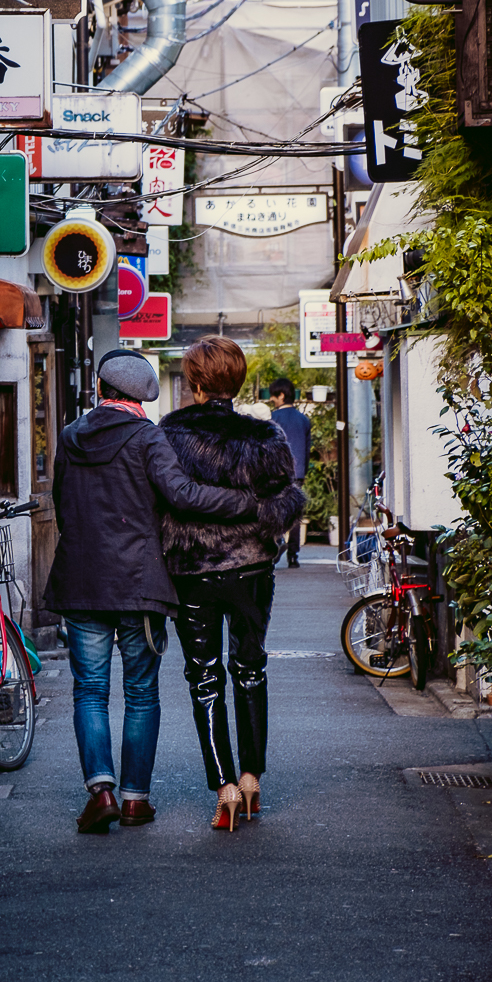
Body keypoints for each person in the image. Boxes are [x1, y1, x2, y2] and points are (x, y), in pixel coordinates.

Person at [42, 349, 259, 834]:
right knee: (140, 693)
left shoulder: (71, 436)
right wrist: (245, 502)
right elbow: (182, 494)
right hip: (139, 585)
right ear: (143, 397)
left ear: (100, 391)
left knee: (90, 691)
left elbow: (61, 501)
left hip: (80, 582)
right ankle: (135, 799)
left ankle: (100, 791)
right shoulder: (147, 437)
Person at [160, 337, 305, 833]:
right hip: (250, 567)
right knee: (250, 666)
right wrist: (262, 519)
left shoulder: (170, 434)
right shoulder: (264, 438)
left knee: (203, 677)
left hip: (191, 569)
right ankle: (251, 779)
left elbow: (160, 500)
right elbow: (287, 497)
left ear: (195, 383)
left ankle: (222, 788)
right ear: (237, 381)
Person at [267, 379, 311, 568]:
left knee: (275, 511)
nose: (272, 399)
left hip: (277, 472)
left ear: (282, 395)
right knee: (295, 514)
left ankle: (277, 543)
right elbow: (307, 449)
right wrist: (303, 470)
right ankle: (293, 555)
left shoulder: (274, 418)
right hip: (298, 471)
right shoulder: (303, 419)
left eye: (274, 396)